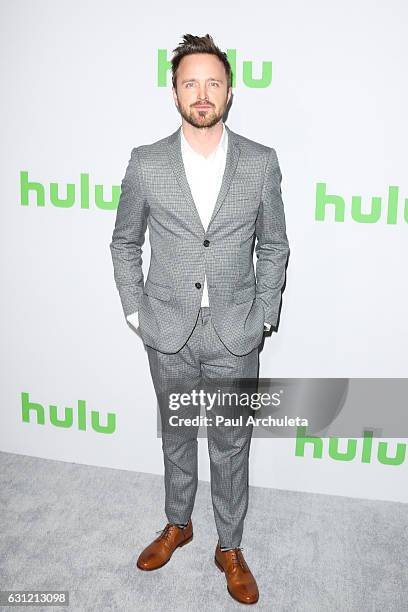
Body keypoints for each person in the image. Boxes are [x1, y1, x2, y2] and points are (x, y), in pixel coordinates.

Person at [109, 33, 289, 605]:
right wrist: (137, 312)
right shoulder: (146, 162)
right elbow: (123, 242)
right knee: (177, 434)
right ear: (175, 91)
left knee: (232, 442)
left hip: (235, 331)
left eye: (213, 82)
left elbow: (276, 246)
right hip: (167, 328)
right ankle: (178, 523)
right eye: (191, 83)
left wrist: (263, 315)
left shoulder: (260, 162)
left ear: (230, 91)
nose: (202, 93)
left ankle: (229, 546)